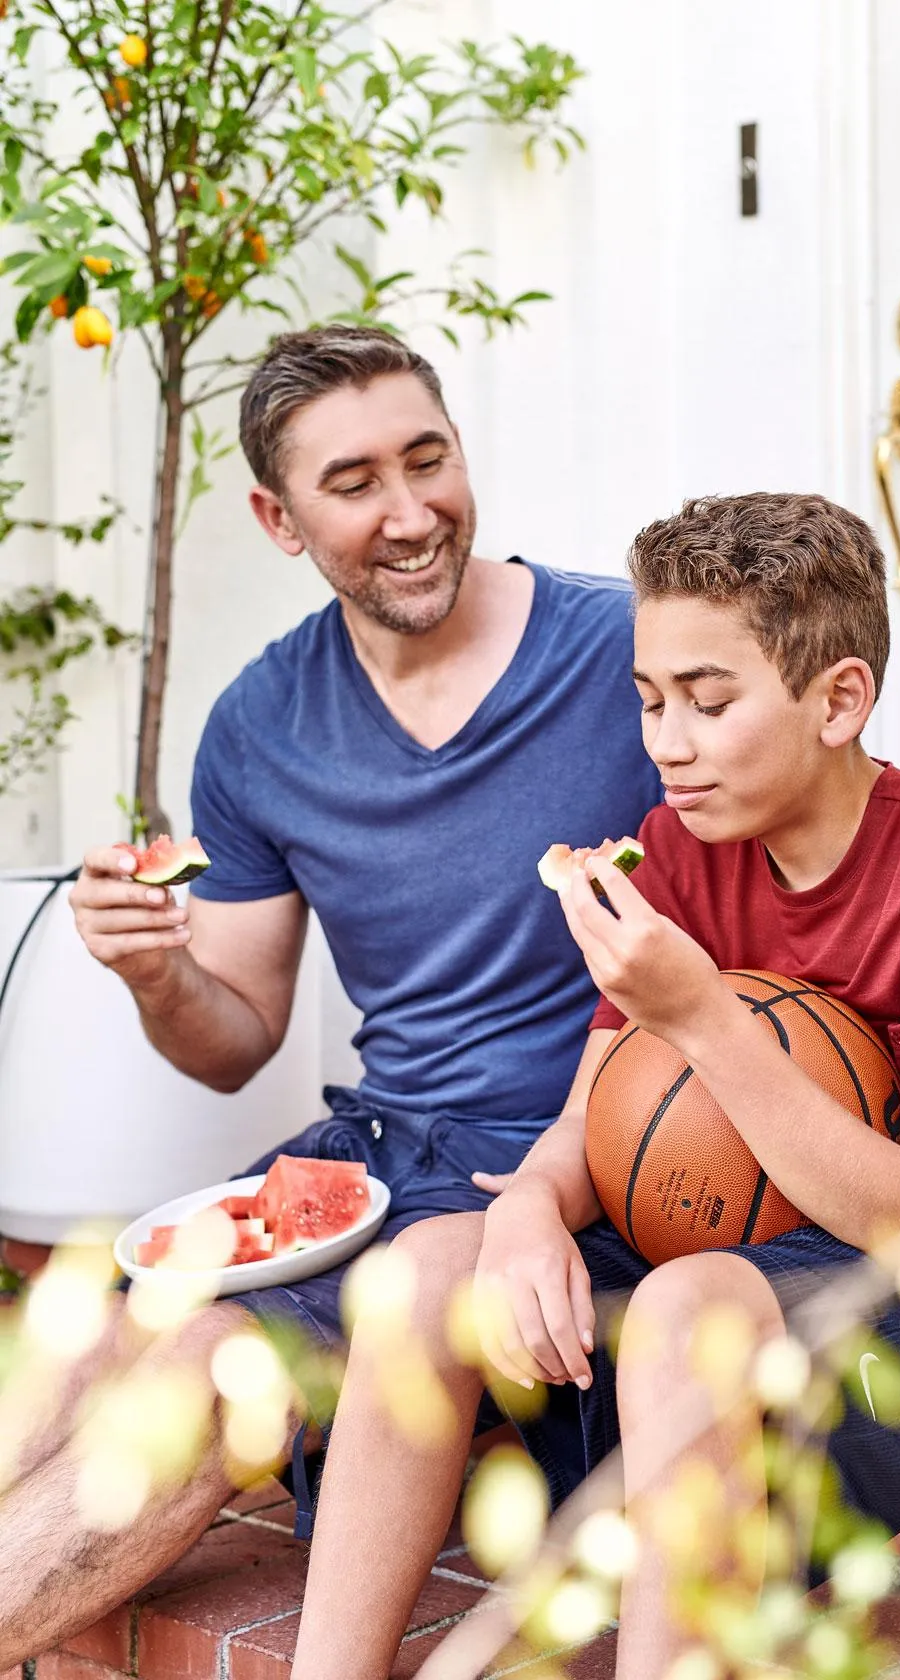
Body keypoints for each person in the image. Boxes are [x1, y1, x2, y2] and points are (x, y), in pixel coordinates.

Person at [289, 491, 900, 1680]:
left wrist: (703, 1015)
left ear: (838, 700)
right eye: (648, 701)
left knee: (688, 1315)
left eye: (709, 700)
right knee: (433, 1265)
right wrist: (528, 1208)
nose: (666, 741)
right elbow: (594, 1122)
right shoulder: (679, 849)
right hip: (756, 1248)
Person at [0, 324, 662, 1669]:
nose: (412, 513)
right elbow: (232, 1039)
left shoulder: (627, 657)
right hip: (363, 1167)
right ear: (279, 517)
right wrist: (155, 970)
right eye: (355, 482)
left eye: (431, 460)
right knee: (82, 1353)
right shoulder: (261, 724)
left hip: (559, 1175)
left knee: (196, 1379)